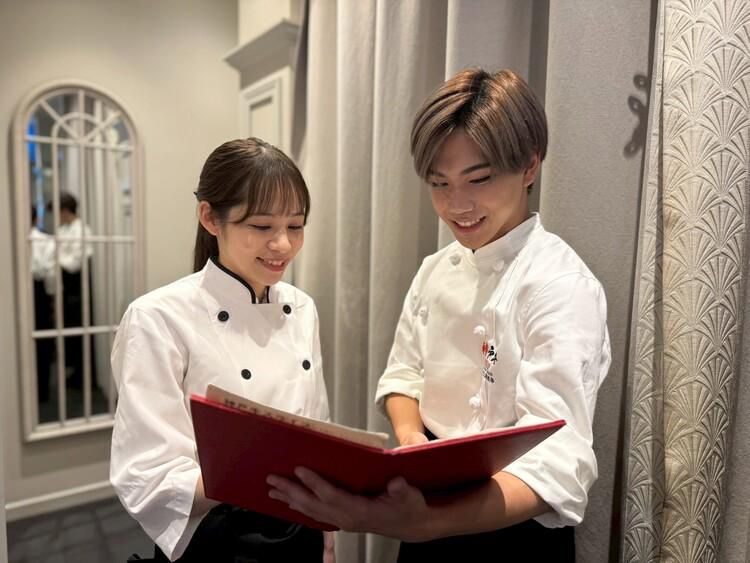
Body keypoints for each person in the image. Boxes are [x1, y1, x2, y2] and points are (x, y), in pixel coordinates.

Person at [267, 68, 611, 561]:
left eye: (479, 179)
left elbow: (559, 457)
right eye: (439, 183)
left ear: (530, 166)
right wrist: (412, 441)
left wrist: (430, 521)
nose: (457, 204)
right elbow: (403, 375)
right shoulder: (435, 269)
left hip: (511, 526)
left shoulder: (558, 283)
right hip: (426, 503)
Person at [110, 138, 334, 562]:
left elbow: (316, 428)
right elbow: (148, 474)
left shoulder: (303, 308)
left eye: (295, 226)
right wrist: (255, 471)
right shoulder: (158, 317)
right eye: (262, 227)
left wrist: (324, 531)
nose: (283, 245)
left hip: (300, 527)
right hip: (217, 536)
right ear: (210, 218)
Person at [52, 191, 95, 389]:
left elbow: (74, 264)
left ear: (65, 211)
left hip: (78, 286)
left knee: (79, 332)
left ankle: (82, 377)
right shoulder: (64, 229)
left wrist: (58, 259)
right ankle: (76, 373)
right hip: (67, 285)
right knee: (70, 330)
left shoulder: (82, 230)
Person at [30, 205, 56, 402]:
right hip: (39, 292)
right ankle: (41, 391)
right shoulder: (45, 241)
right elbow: (48, 273)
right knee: (42, 343)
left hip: (34, 290)